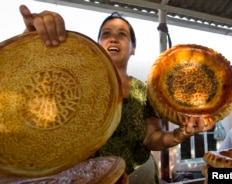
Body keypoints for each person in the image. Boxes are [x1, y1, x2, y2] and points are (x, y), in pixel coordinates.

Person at [1, 5, 215, 184]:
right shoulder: (74, 85)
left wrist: (180, 135)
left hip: (142, 175)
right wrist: (32, 42)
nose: (114, 39)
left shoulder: (143, 90)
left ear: (133, 48)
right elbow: (22, 95)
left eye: (122, 35)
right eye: (106, 34)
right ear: (98, 45)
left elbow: (151, 138)